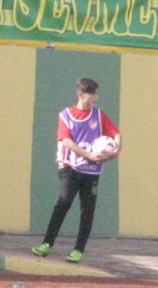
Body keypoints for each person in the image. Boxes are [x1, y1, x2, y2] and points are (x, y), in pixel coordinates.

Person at [32, 77, 119, 263]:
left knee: (87, 210)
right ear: (81, 94)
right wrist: (88, 154)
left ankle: (78, 250)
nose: (96, 97)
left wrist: (116, 150)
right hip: (70, 167)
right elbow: (66, 141)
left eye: (97, 93)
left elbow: (115, 134)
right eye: (93, 93)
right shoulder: (66, 115)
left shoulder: (99, 115)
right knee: (63, 203)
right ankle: (47, 243)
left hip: (91, 172)